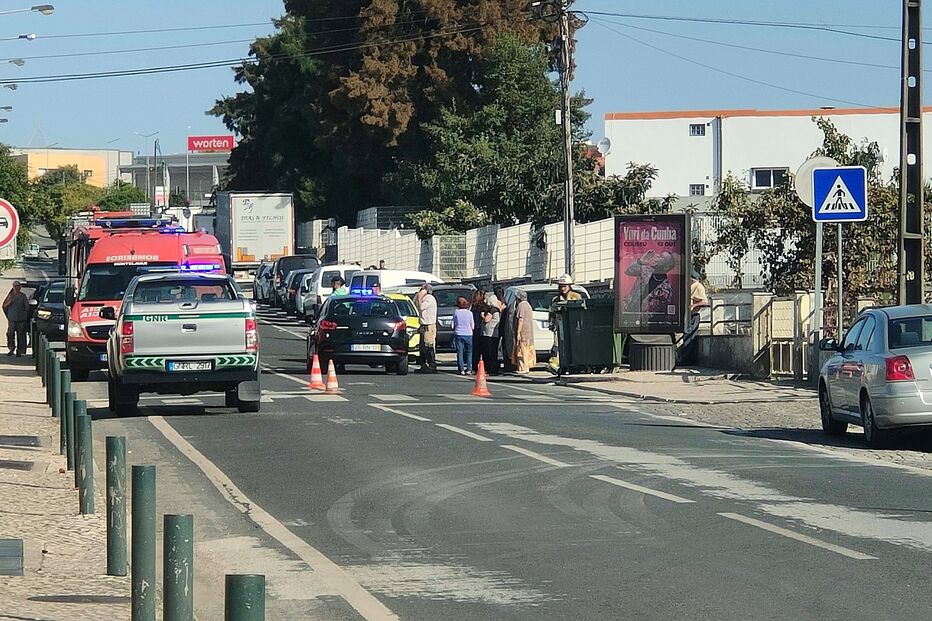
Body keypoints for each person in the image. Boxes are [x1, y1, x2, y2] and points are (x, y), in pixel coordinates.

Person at [548, 274, 582, 372]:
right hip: (560, 326)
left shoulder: (576, 297)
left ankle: (574, 366)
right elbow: (552, 313)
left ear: (569, 286)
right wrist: (552, 324)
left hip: (574, 327)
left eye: (565, 286)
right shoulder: (555, 299)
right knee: (557, 345)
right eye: (561, 286)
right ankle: (556, 365)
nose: (562, 288)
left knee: (573, 347)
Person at [416, 284, 438, 373]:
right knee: (422, 347)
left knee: (428, 345)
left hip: (429, 325)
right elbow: (415, 304)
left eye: (422, 289)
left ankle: (432, 365)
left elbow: (421, 307)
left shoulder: (429, 298)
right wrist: (418, 297)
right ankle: (423, 365)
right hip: (422, 325)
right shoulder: (422, 298)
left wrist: (420, 297)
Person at [513, 289, 535, 374]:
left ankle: (523, 368)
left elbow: (520, 320)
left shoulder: (521, 306)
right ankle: (525, 367)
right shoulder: (528, 305)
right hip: (529, 331)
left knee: (521, 350)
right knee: (527, 349)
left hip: (523, 332)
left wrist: (518, 332)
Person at [3, 281, 28, 357]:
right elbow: (4, 306)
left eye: (18, 286)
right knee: (10, 334)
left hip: (21, 319)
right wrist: (10, 301)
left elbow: (27, 306)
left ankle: (19, 351)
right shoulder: (10, 296)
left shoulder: (23, 296)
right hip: (12, 319)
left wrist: (24, 314)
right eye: (15, 286)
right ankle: (11, 348)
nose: (17, 288)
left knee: (21, 335)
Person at [480, 292, 502, 376]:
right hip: (494, 334)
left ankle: (490, 369)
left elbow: (486, 319)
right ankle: (493, 369)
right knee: (493, 352)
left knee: (489, 352)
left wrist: (482, 315)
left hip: (489, 334)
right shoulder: (497, 309)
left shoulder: (492, 310)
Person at [452, 296, 474, 375]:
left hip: (459, 333)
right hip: (468, 334)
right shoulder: (470, 313)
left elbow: (452, 324)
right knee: (469, 352)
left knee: (460, 352)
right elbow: (473, 325)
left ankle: (461, 369)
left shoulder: (456, 312)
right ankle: (469, 368)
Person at [470, 288, 486, 372]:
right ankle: (483, 366)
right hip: (481, 328)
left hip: (475, 329)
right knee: (483, 349)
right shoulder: (483, 306)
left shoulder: (473, 306)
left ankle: (474, 367)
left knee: (475, 350)